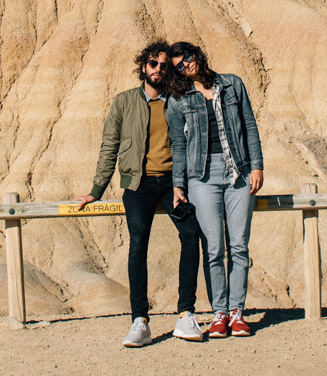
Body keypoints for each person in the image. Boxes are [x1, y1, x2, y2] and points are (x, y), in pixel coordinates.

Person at [76, 41, 206, 347]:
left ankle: (186, 314)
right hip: (138, 184)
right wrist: (96, 190)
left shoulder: (178, 100)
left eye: (163, 65)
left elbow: (193, 142)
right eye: (153, 64)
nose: (158, 69)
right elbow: (109, 146)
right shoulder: (123, 102)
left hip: (174, 183)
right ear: (143, 67)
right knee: (138, 244)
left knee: (190, 234)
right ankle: (140, 320)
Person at [166, 41, 264, 338]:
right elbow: (178, 145)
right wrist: (178, 184)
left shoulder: (232, 85)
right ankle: (218, 314)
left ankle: (237, 313)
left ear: (198, 54)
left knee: (238, 246)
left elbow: (249, 125)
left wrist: (257, 165)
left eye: (188, 58)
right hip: (202, 176)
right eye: (179, 65)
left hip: (239, 172)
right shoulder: (178, 99)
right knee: (212, 248)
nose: (186, 65)